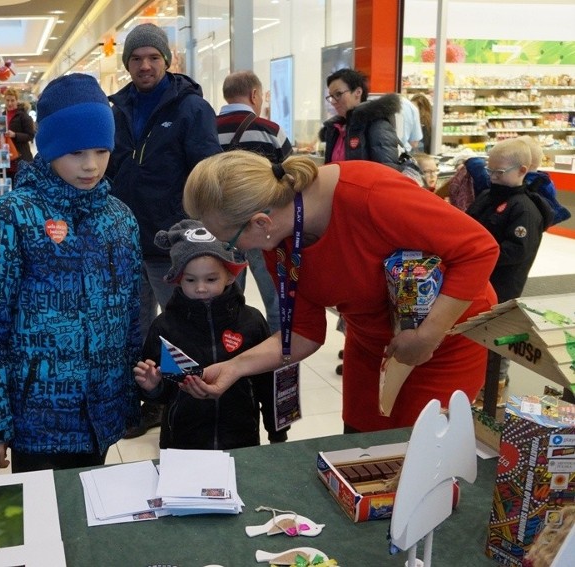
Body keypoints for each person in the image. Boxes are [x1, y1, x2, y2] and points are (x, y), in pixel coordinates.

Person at [179, 151, 500, 433]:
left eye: (231, 243)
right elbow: (303, 333)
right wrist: (234, 367)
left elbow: (479, 250)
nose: (235, 252)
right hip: (374, 342)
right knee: (360, 447)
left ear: (260, 222)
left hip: (446, 337)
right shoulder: (277, 239)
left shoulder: (370, 194)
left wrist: (427, 336)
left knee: (420, 457)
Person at [0, 73, 142, 473]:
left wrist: (129, 401)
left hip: (103, 413)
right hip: (37, 420)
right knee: (47, 523)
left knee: (91, 517)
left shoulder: (120, 219)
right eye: (75, 152)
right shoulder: (7, 218)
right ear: (49, 147)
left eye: (101, 150)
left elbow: (130, 317)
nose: (91, 165)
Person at [107, 23, 222, 438]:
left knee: (180, 326)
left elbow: (207, 173)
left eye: (153, 57)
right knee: (133, 326)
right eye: (136, 58)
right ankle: (146, 400)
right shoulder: (116, 108)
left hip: (172, 243)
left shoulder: (191, 109)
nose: (145, 65)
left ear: (166, 61)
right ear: (127, 64)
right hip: (123, 241)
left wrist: (198, 231)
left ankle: (185, 399)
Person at [134, 220, 287, 448]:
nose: (201, 288)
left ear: (231, 276)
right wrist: (152, 387)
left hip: (241, 439)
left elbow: (269, 382)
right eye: (190, 280)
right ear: (177, 279)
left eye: (211, 279)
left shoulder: (252, 322)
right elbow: (164, 394)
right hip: (183, 443)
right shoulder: (165, 327)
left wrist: (278, 433)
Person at [466, 139, 554, 386]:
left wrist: (479, 255)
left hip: (502, 286)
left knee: (499, 334)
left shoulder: (525, 209)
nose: (493, 177)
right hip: (479, 281)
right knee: (476, 334)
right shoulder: (487, 196)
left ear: (522, 171)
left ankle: (497, 382)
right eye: (489, 171)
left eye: (499, 172)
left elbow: (516, 251)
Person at [217, 69, 293, 334]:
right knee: (275, 301)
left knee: (225, 300)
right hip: (266, 230)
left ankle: (230, 355)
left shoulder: (208, 129)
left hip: (223, 230)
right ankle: (278, 359)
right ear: (254, 94)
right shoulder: (271, 131)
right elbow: (292, 178)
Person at [320, 68, 401, 168]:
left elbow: (388, 172)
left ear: (358, 92)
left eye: (338, 94)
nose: (333, 101)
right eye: (331, 96)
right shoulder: (335, 129)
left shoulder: (377, 124)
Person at [1, 89, 35, 183]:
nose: (10, 103)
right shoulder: (1, 116)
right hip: (6, 158)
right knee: (7, 188)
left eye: (12, 100)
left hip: (21, 157)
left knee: (21, 187)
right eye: (7, 100)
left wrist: (15, 135)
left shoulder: (23, 116)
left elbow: (30, 135)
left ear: (17, 101)